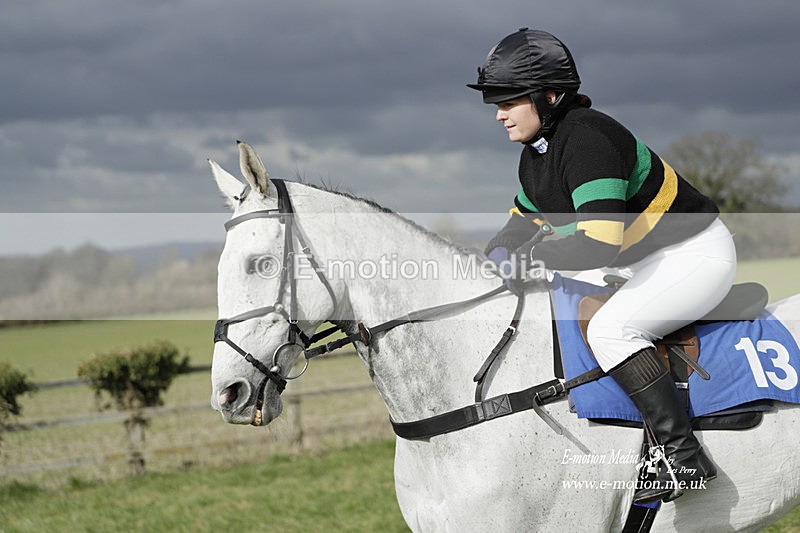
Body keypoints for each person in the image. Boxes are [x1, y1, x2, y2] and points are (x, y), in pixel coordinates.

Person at [469, 28, 737, 504]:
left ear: (548, 96)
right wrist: (494, 259)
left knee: (612, 330)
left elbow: (597, 247)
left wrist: (528, 257)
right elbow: (519, 225)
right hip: (645, 260)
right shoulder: (537, 156)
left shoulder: (587, 140)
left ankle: (683, 457)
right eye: (496, 103)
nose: (499, 115)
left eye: (509, 101)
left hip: (695, 255)